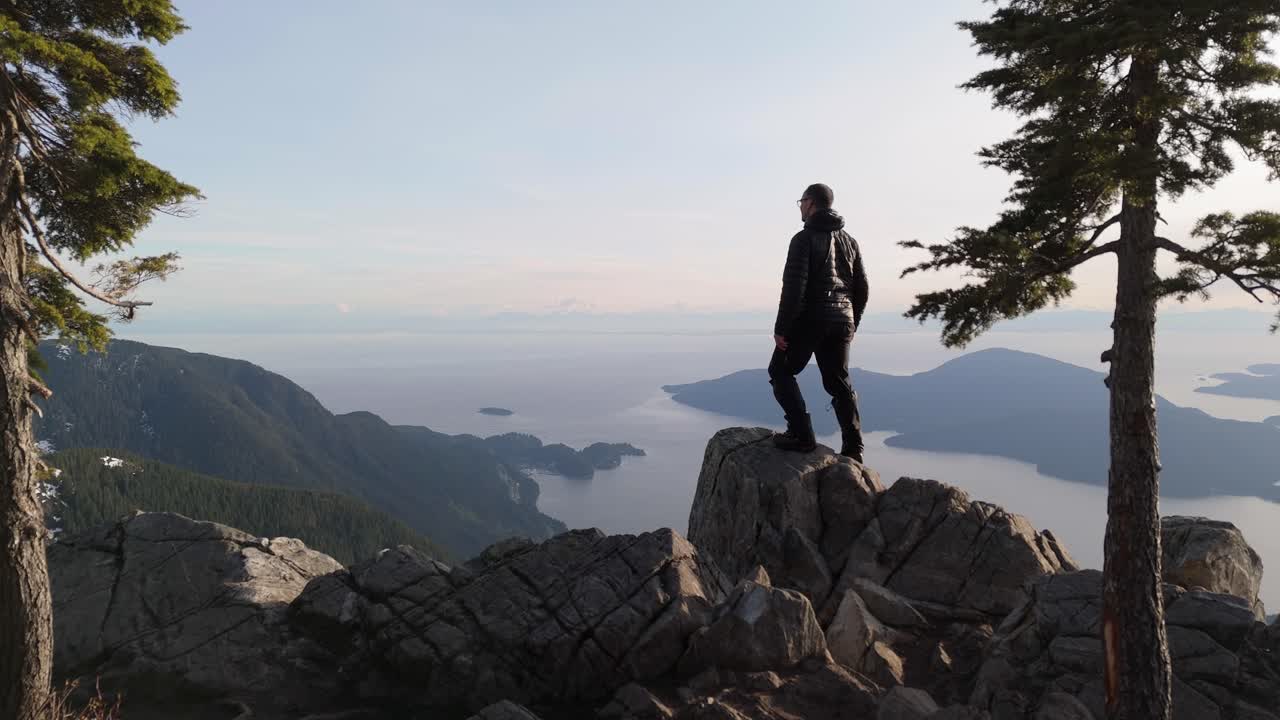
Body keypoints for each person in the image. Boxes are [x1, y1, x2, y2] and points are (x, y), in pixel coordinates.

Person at [769, 183, 869, 461]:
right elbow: (861, 288)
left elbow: (793, 288)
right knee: (839, 381)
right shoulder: (850, 241)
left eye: (801, 201)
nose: (800, 207)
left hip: (811, 318)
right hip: (842, 320)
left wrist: (781, 329)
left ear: (811, 203)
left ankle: (801, 435)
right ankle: (854, 448)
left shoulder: (803, 239)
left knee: (780, 371)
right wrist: (852, 322)